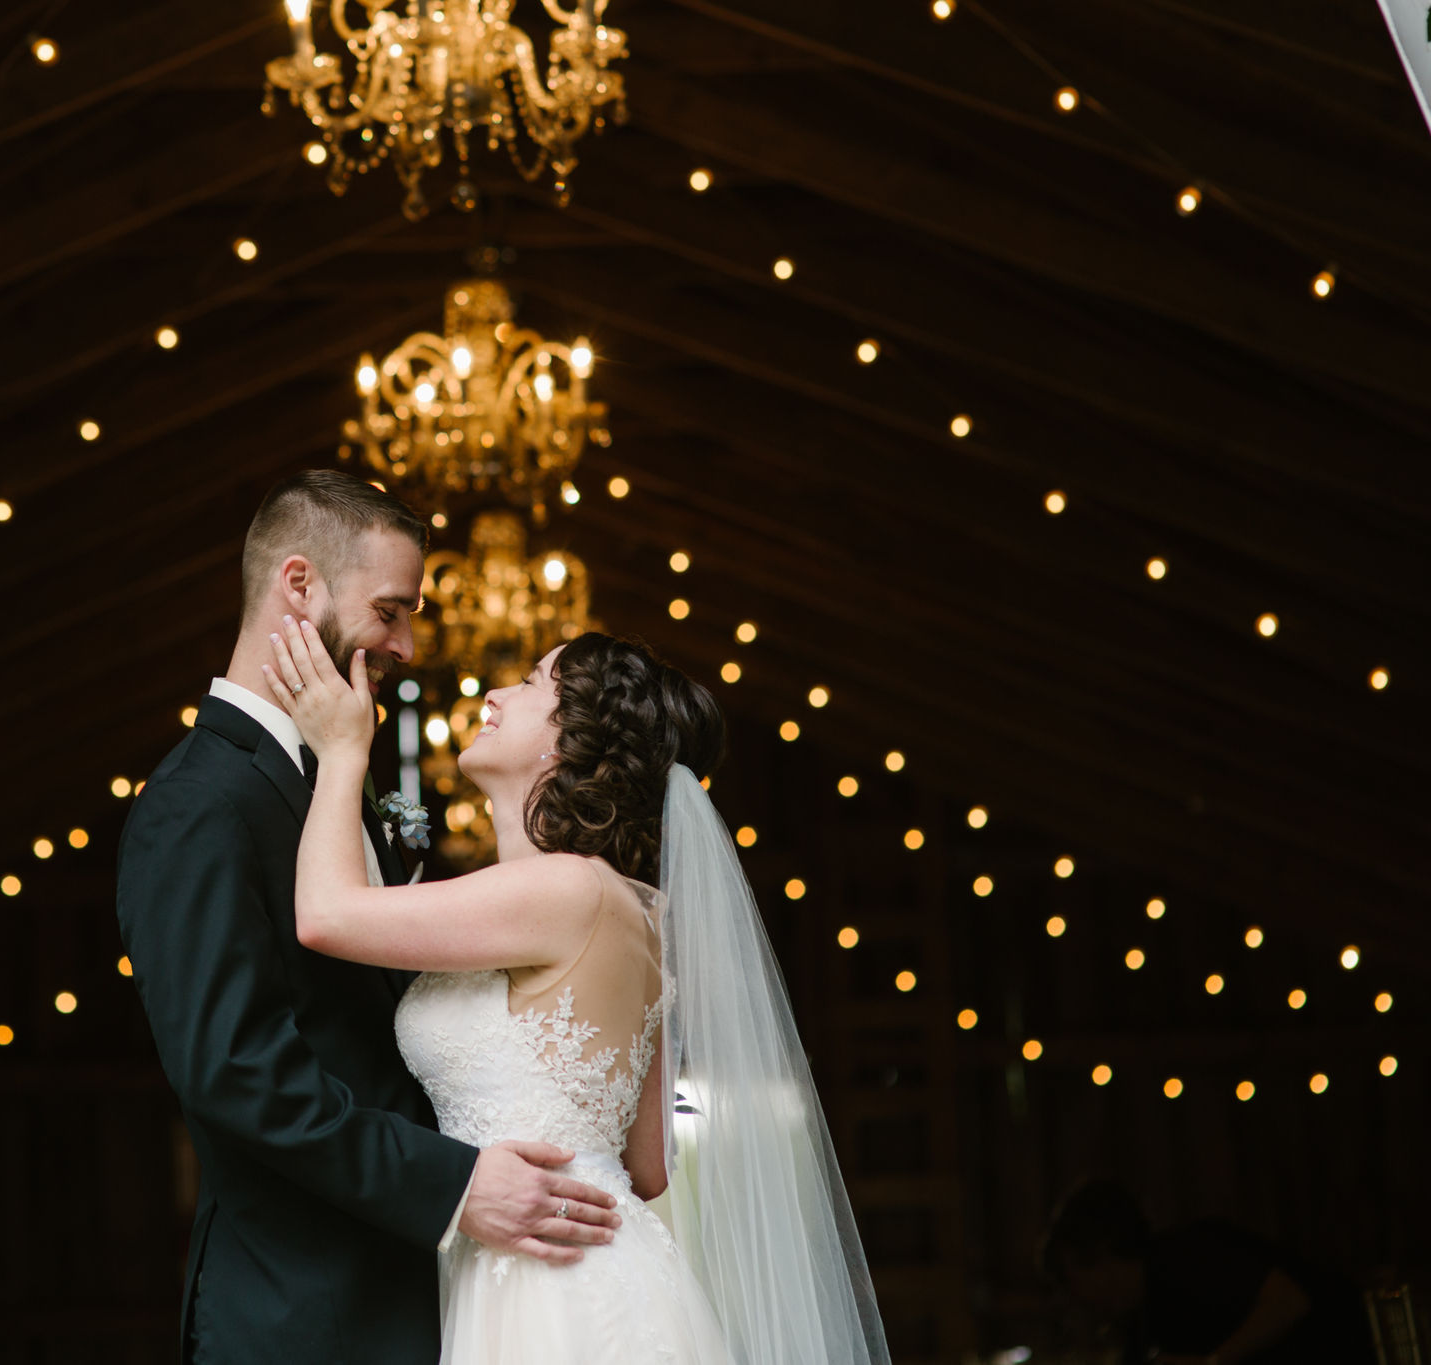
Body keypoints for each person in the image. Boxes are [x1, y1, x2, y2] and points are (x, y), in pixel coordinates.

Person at [262, 616, 895, 1364]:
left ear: (568, 742)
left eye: (532, 682)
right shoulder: (634, 910)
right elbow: (647, 1167)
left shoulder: (565, 889)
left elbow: (326, 915)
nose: (496, 693)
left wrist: (343, 750)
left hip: (549, 1284)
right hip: (588, 1264)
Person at [116, 471, 623, 1365]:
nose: (408, 645)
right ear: (298, 583)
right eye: (390, 611)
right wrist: (454, 1185)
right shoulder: (196, 802)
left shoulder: (337, 776)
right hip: (300, 1314)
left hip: (417, 1301)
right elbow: (238, 1073)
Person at [1042, 1177, 1378, 1365]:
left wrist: (1212, 1363)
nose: (1077, 1298)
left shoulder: (1189, 1256)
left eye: (1072, 1278)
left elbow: (1290, 1301)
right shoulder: (1145, 1322)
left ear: (1102, 1254)